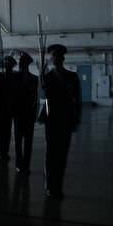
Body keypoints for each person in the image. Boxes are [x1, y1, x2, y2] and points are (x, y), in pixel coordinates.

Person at [39, 44, 81, 200]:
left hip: (66, 120)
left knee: (62, 155)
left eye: (57, 55)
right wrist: (40, 76)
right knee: (50, 154)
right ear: (50, 58)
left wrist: (77, 119)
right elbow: (41, 96)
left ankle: (58, 186)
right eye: (52, 55)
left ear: (63, 57)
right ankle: (49, 187)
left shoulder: (72, 76)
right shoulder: (47, 77)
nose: (55, 57)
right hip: (51, 119)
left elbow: (78, 100)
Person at [13, 52, 38, 174]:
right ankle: (19, 164)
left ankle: (25, 165)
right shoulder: (14, 77)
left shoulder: (34, 79)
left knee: (28, 142)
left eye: (22, 63)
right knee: (18, 142)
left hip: (29, 115)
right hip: (18, 114)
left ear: (26, 64)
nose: (21, 65)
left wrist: (35, 114)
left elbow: (36, 99)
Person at [0, 55, 17, 161]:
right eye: (6, 64)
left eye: (8, 64)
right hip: (1, 108)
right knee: (2, 130)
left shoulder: (14, 77)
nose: (7, 65)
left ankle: (3, 150)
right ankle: (1, 150)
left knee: (6, 131)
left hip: (9, 108)